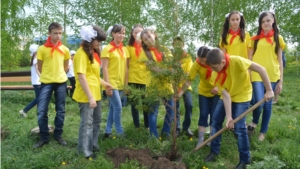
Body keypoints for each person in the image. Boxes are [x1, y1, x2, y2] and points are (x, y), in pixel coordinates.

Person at [204, 48, 274, 169]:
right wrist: (229, 117)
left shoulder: (237, 61)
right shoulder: (215, 73)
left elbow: (261, 69)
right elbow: (225, 95)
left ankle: (244, 160)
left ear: (222, 62)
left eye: (214, 67)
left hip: (242, 95)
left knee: (240, 128)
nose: (212, 70)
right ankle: (214, 151)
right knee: (215, 121)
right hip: (229, 94)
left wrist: (269, 90)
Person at [73, 25, 112, 159]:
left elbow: (94, 75)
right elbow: (82, 77)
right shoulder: (81, 54)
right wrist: (90, 97)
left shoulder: (92, 54)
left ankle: (93, 144)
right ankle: (85, 151)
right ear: (90, 39)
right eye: (98, 41)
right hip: (86, 95)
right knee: (87, 123)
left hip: (96, 93)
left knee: (97, 120)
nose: (99, 44)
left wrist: (105, 83)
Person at [248, 11, 286, 141]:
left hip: (273, 74)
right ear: (260, 24)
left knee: (268, 104)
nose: (265, 24)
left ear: (273, 21)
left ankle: (263, 132)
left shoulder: (278, 38)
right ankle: (254, 121)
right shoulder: (254, 39)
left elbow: (280, 60)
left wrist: (281, 81)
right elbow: (249, 59)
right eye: (263, 21)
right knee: (259, 102)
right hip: (257, 74)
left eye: (268, 21)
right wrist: (248, 75)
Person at [34, 22, 70, 148]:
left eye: (60, 33)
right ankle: (44, 137)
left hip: (61, 82)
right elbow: (40, 66)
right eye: (55, 33)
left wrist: (60, 75)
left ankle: (58, 135)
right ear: (49, 33)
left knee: (61, 110)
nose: (58, 36)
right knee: (42, 110)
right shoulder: (42, 49)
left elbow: (66, 67)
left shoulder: (65, 49)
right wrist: (49, 76)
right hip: (46, 83)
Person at [178, 46, 220, 147]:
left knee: (214, 115)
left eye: (205, 61)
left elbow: (224, 75)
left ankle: (211, 139)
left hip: (217, 92)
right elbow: (189, 79)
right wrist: (180, 93)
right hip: (204, 92)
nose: (203, 63)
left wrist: (218, 87)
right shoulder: (197, 64)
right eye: (201, 60)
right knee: (204, 114)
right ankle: (201, 140)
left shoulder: (216, 61)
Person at [139, 28, 174, 138]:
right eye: (145, 39)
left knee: (171, 110)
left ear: (154, 35)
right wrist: (167, 71)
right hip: (153, 86)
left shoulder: (165, 49)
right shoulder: (144, 53)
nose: (148, 40)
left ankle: (166, 132)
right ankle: (153, 136)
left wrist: (171, 71)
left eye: (149, 37)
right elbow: (153, 68)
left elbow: (171, 64)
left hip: (166, 85)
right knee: (153, 112)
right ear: (143, 42)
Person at [101, 24, 129, 138]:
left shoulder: (124, 49)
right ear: (113, 34)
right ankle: (119, 131)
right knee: (118, 107)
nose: (122, 35)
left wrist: (126, 84)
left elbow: (126, 68)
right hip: (111, 83)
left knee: (113, 108)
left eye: (123, 33)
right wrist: (107, 85)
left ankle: (107, 131)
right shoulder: (107, 49)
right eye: (119, 33)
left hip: (121, 83)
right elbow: (105, 68)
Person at [126, 24, 149, 129]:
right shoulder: (128, 48)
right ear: (132, 34)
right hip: (132, 78)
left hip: (145, 78)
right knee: (134, 104)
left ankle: (147, 125)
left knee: (145, 103)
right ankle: (137, 126)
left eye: (140, 32)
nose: (137, 34)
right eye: (135, 32)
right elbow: (126, 65)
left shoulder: (147, 47)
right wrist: (126, 83)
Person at [172, 36, 194, 137]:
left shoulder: (187, 57)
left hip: (185, 86)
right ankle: (177, 128)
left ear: (183, 45)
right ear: (173, 45)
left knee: (189, 105)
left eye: (180, 44)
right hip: (174, 86)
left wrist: (180, 70)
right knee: (175, 107)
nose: (178, 46)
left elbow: (189, 73)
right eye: (176, 44)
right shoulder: (170, 57)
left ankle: (186, 127)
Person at [19, 44, 41, 118]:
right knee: (39, 98)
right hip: (38, 81)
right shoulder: (35, 59)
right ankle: (24, 110)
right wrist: (41, 77)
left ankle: (39, 113)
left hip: (36, 81)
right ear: (35, 52)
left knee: (39, 98)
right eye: (38, 49)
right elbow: (37, 70)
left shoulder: (33, 59)